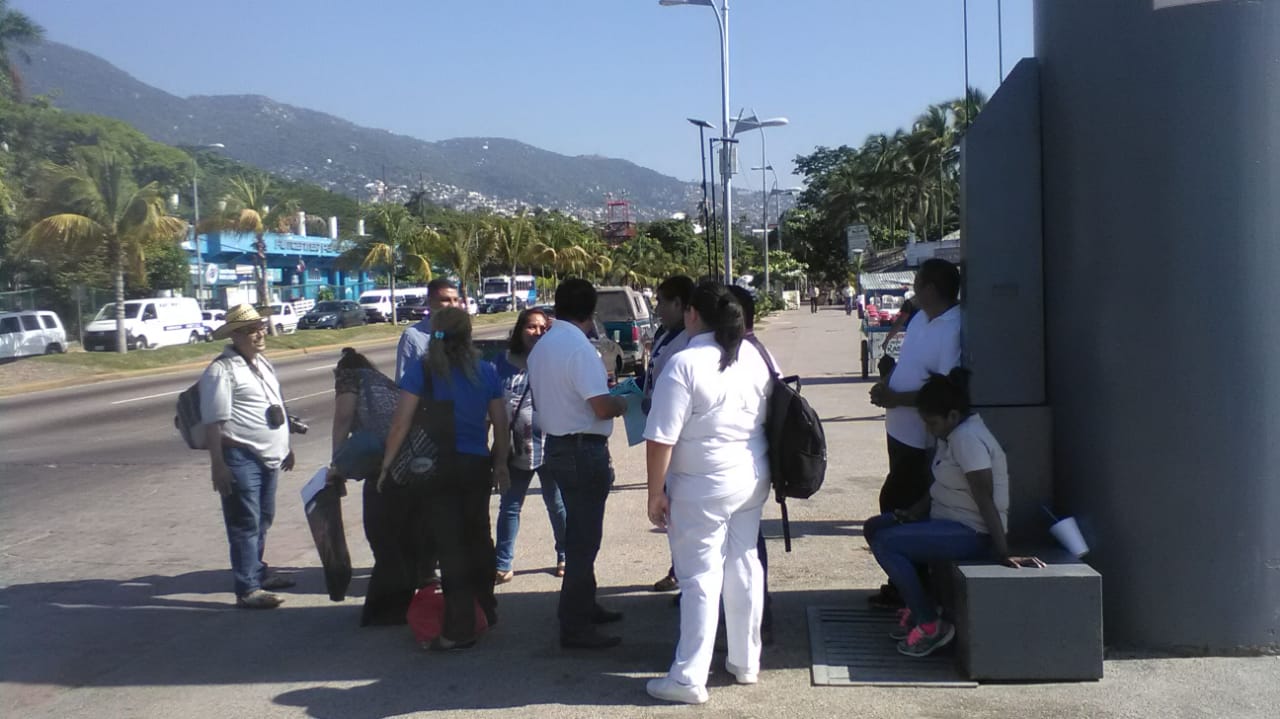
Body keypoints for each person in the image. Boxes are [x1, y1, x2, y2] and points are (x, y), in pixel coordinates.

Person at [644, 281, 773, 705]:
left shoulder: (683, 363)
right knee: (744, 564)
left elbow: (661, 437)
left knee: (700, 578)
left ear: (693, 314)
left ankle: (688, 677)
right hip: (751, 476)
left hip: (702, 484)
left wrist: (654, 493)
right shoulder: (753, 355)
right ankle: (745, 661)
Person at [864, 369, 1045, 657]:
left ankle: (929, 623)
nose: (929, 429)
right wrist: (914, 513)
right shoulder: (952, 434)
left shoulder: (968, 440)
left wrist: (1003, 551)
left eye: (932, 422)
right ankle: (921, 605)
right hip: (946, 520)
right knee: (875, 528)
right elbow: (940, 482)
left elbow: (984, 498)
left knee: (887, 543)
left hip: (972, 532)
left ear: (952, 415)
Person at [379, 307, 509, 651]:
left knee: (450, 547)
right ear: (468, 335)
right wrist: (500, 464)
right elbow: (500, 422)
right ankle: (487, 610)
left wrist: (387, 465)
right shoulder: (485, 371)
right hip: (475, 465)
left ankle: (460, 628)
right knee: (479, 537)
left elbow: (400, 423)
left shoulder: (423, 372)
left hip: (437, 467)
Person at [526, 278, 629, 650]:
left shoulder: (543, 346)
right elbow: (600, 406)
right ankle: (575, 625)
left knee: (579, 534)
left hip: (557, 445)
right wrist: (621, 403)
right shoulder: (579, 348)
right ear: (591, 311)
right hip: (583, 449)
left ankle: (584, 606)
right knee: (585, 540)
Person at [866, 258, 963, 609]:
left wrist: (898, 398)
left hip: (922, 439)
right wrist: (887, 383)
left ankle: (912, 589)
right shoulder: (922, 318)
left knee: (898, 507)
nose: (913, 290)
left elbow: (945, 388)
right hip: (899, 432)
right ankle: (902, 585)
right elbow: (910, 366)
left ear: (932, 289)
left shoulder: (953, 327)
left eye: (918, 283)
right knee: (895, 502)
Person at [199, 304, 296, 609]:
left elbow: (274, 405)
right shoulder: (221, 370)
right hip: (240, 458)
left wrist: (286, 446)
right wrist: (218, 464)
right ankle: (248, 588)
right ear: (236, 335)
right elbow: (213, 422)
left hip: (269, 457)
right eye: (252, 330)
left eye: (261, 327)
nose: (260, 333)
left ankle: (258, 571)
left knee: (263, 518)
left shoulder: (261, 363)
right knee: (245, 522)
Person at [328, 347, 419, 626]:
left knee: (381, 535)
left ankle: (388, 607)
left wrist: (337, 462)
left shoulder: (349, 378)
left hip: (382, 464)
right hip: (409, 463)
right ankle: (402, 602)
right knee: (400, 536)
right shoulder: (381, 382)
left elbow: (343, 417)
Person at [492, 308, 567, 584]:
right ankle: (503, 563)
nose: (537, 333)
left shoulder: (554, 359)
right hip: (515, 448)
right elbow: (491, 407)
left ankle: (564, 554)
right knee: (510, 506)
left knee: (556, 504)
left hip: (551, 445)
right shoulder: (502, 362)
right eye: (531, 327)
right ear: (519, 330)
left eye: (542, 328)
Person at [645, 275, 695, 594]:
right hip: (656, 417)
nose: (658, 308)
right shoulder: (666, 333)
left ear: (680, 304)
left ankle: (684, 573)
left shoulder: (688, 342)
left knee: (677, 508)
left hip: (677, 438)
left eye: (663, 302)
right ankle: (679, 568)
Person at [396, 278, 464, 382]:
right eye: (446, 300)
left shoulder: (461, 332)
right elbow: (403, 382)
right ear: (430, 302)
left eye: (455, 300)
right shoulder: (412, 337)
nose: (453, 305)